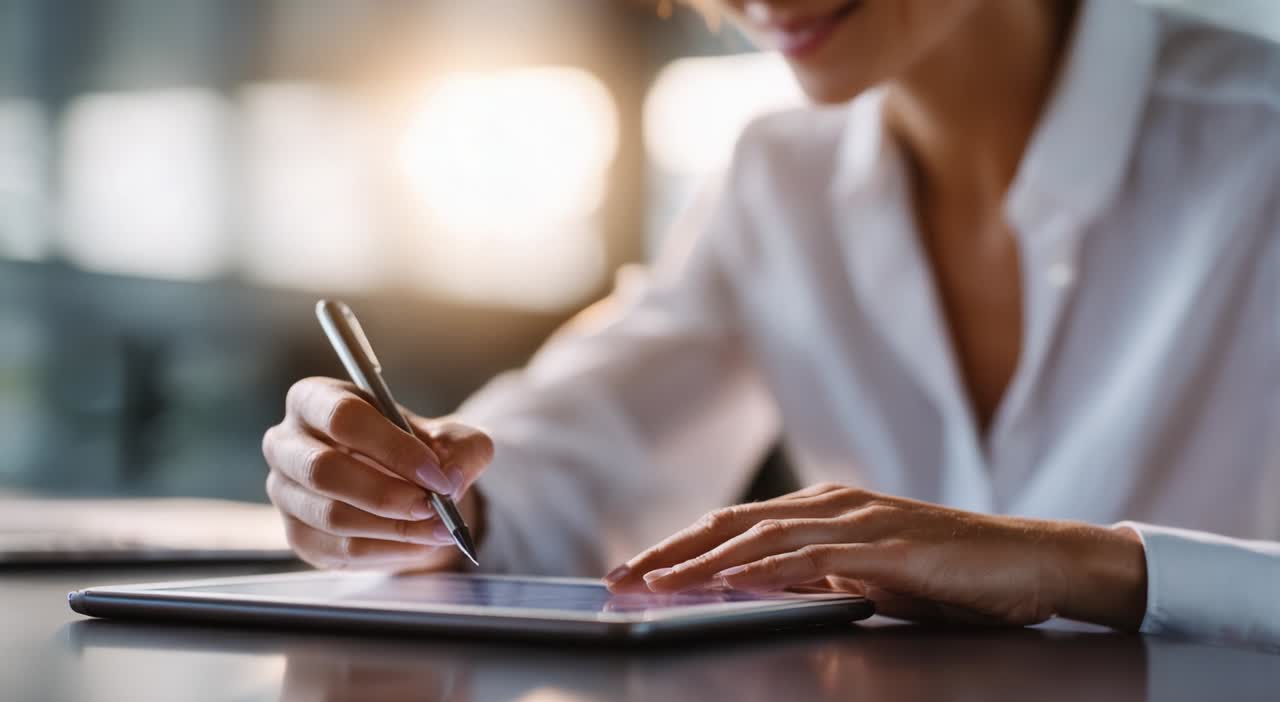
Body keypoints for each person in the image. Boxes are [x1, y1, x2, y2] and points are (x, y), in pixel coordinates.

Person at [261, 0, 1280, 646]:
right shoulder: (776, 179)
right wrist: (410, 493)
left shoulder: (1257, 139)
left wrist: (1085, 566)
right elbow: (571, 455)